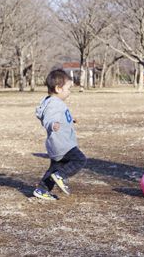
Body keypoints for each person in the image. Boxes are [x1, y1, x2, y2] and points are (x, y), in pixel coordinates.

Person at [33, 69, 87, 200]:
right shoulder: (54, 103)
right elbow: (49, 118)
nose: (69, 92)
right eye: (68, 88)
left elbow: (58, 115)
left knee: (55, 167)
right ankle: (61, 176)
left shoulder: (50, 101)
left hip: (56, 144)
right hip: (63, 143)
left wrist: (70, 120)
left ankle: (42, 189)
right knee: (80, 159)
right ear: (58, 88)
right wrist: (52, 124)